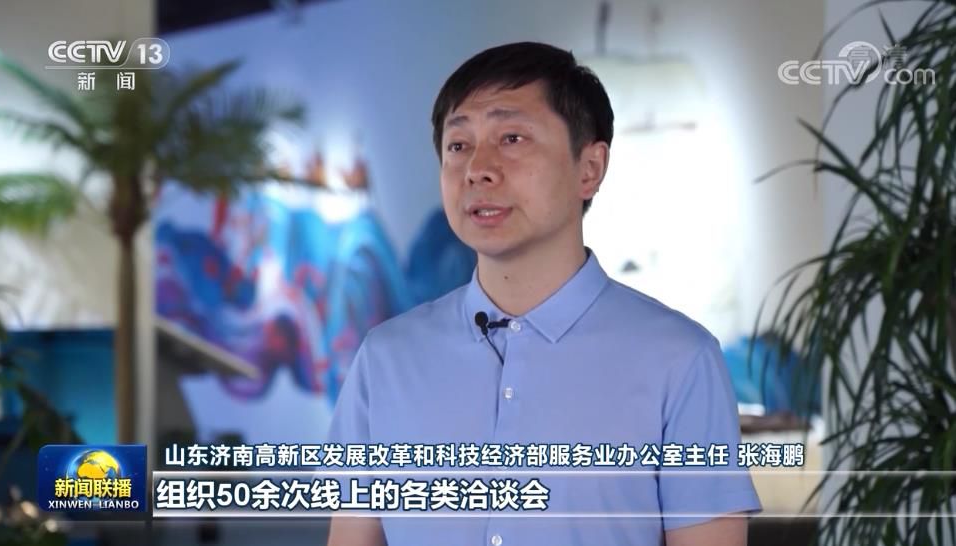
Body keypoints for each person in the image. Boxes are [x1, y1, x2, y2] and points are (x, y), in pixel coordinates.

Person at [326, 41, 761, 546]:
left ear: (589, 168)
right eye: (458, 145)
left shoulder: (679, 361)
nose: (478, 168)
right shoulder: (385, 360)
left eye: (512, 138)